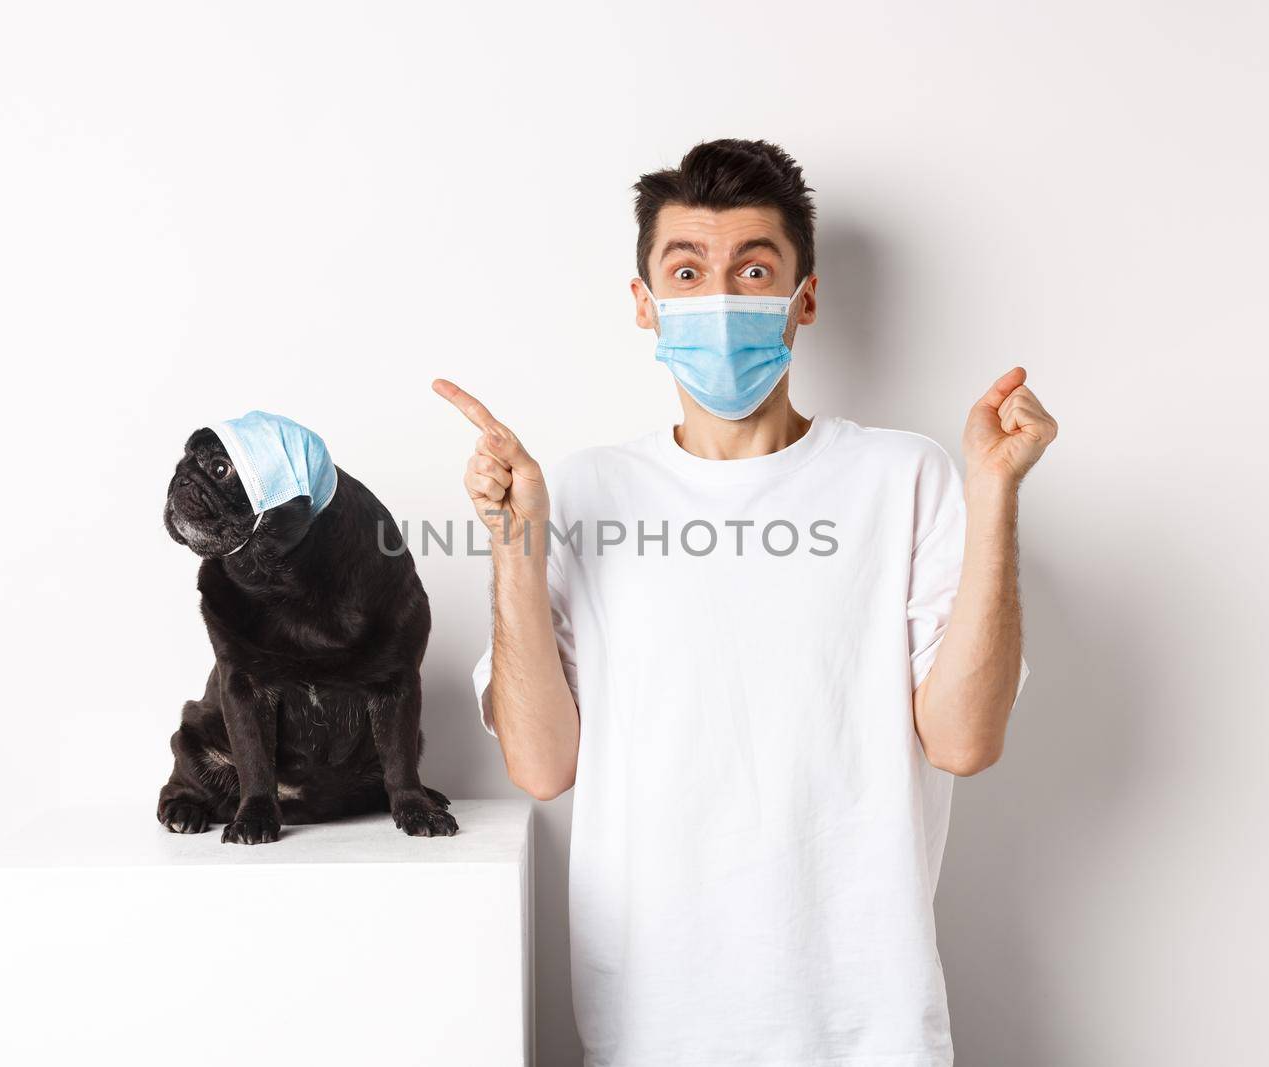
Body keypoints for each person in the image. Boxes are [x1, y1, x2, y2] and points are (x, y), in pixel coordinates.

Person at [433, 138, 1057, 1067]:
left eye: (753, 268)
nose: (720, 297)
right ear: (644, 304)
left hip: (868, 1025)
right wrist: (515, 548)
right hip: (650, 1027)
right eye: (686, 270)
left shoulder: (904, 477)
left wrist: (996, 491)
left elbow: (965, 740)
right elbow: (541, 763)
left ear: (804, 297)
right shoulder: (587, 488)